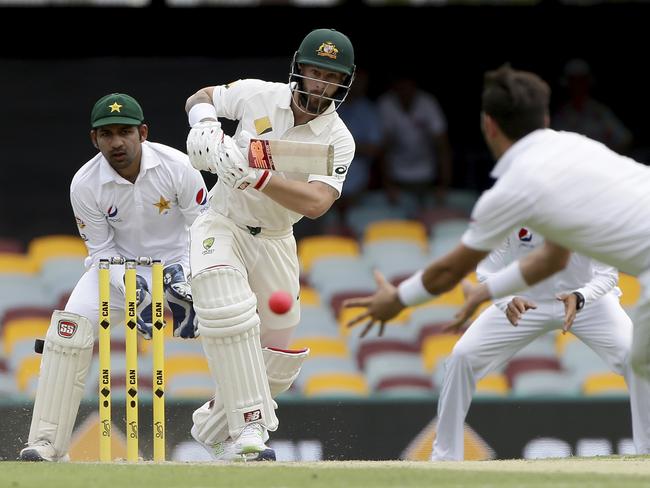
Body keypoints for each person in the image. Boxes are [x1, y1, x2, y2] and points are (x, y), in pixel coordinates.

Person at [344, 64, 650, 389]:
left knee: (641, 364)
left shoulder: (513, 189)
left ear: (489, 125)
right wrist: (487, 292)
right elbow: (552, 259)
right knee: (640, 365)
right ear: (544, 120)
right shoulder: (576, 150)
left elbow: (450, 271)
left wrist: (398, 299)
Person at [184, 28, 356, 461]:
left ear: (342, 83)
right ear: (299, 68)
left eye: (329, 77)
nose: (318, 84)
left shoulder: (338, 139)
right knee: (230, 312)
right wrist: (204, 124)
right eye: (314, 72)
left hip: (277, 239)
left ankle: (212, 426)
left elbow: (317, 203)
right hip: (224, 223)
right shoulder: (257, 94)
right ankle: (252, 429)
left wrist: (258, 176)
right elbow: (201, 95)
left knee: (277, 360)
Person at [19, 93, 208, 462]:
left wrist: (182, 274)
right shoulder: (85, 184)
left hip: (180, 266)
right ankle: (47, 442)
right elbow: (102, 251)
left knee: (229, 324)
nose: (117, 142)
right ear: (94, 139)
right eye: (107, 134)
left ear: (143, 132)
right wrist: (129, 284)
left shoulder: (179, 166)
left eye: (125, 132)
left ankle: (237, 434)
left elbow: (205, 229)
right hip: (115, 272)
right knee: (66, 334)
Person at [431, 227, 650, 460]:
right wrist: (506, 301)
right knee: (461, 356)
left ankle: (647, 452)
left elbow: (607, 275)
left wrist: (581, 297)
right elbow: (486, 271)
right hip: (524, 300)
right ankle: (444, 456)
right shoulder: (514, 210)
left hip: (588, 300)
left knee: (637, 358)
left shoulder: (588, 209)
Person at [377, 75, 452, 206]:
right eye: (400, 87)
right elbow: (383, 148)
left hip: (427, 173)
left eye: (408, 87)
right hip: (396, 174)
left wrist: (443, 184)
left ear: (414, 87)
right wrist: (387, 185)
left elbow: (442, 146)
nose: (404, 91)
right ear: (394, 88)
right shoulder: (386, 104)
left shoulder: (428, 103)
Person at [553, 58, 632, 155]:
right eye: (574, 81)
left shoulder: (600, 112)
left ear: (587, 83)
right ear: (568, 84)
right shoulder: (561, 115)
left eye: (581, 81)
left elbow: (624, 139)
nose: (577, 86)